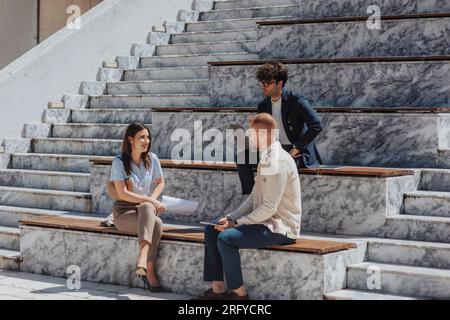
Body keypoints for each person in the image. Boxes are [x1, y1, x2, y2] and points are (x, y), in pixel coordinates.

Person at [194, 113, 302, 300]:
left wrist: (236, 225)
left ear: (264, 135)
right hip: (265, 222)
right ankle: (218, 290)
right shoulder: (266, 158)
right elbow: (254, 198)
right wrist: (231, 217)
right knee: (212, 230)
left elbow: (269, 207)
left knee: (226, 238)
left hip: (280, 228)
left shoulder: (278, 161)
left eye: (252, 134)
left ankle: (239, 294)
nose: (249, 137)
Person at [237, 61, 323, 194]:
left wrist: (296, 148)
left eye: (268, 83)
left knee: (276, 164)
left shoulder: (297, 101)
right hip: (273, 149)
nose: (264, 87)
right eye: (262, 83)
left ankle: (272, 204)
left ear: (280, 83)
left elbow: (316, 125)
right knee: (243, 156)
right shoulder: (263, 106)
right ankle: (252, 196)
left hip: (296, 152)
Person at [109, 123, 168, 292]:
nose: (146, 141)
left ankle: (145, 266)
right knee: (153, 218)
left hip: (145, 209)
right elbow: (122, 193)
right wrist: (150, 201)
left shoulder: (153, 158)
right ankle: (148, 269)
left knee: (152, 215)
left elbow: (160, 182)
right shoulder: (119, 162)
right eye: (142, 137)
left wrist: (151, 200)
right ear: (130, 139)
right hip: (124, 212)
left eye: (148, 137)